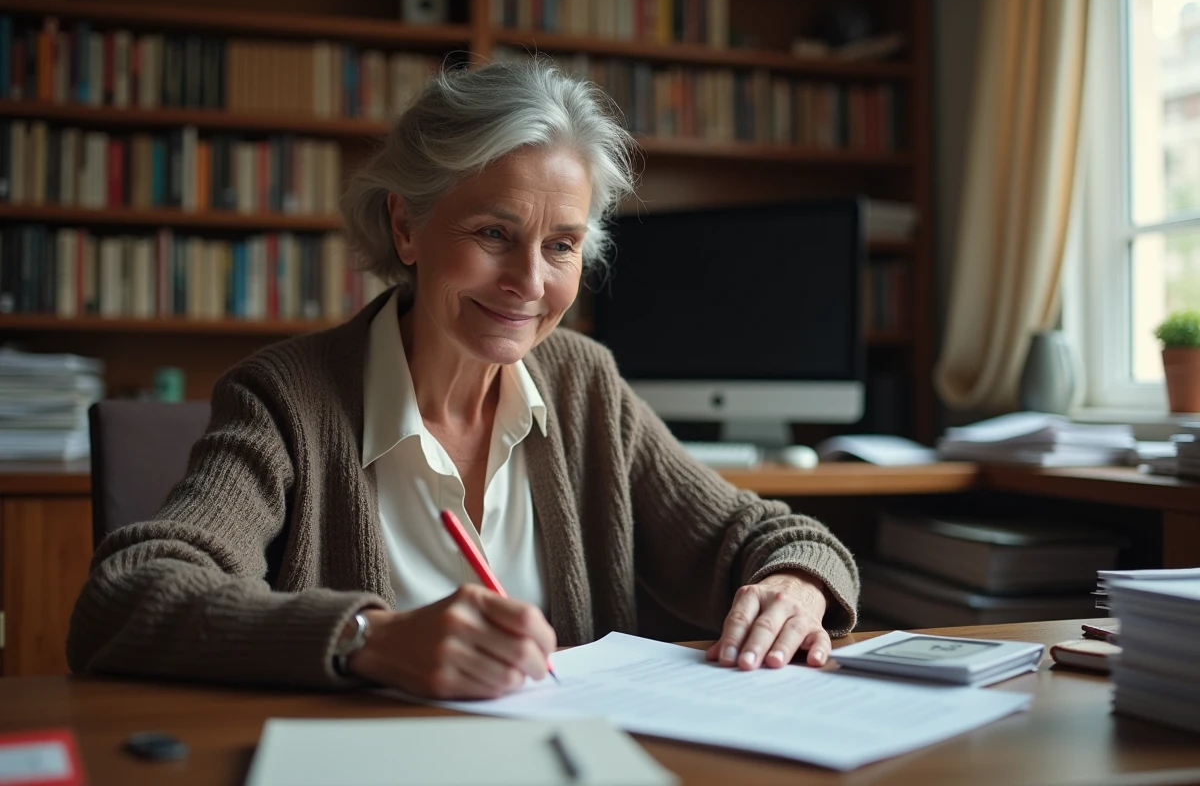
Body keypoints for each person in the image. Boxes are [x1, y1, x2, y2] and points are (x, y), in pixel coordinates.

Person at [68, 59, 859, 700]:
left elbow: (777, 538)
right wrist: (367, 639)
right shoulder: (287, 397)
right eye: (493, 233)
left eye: (560, 245)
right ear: (406, 226)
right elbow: (128, 594)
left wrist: (794, 584)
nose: (528, 281)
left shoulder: (585, 385)